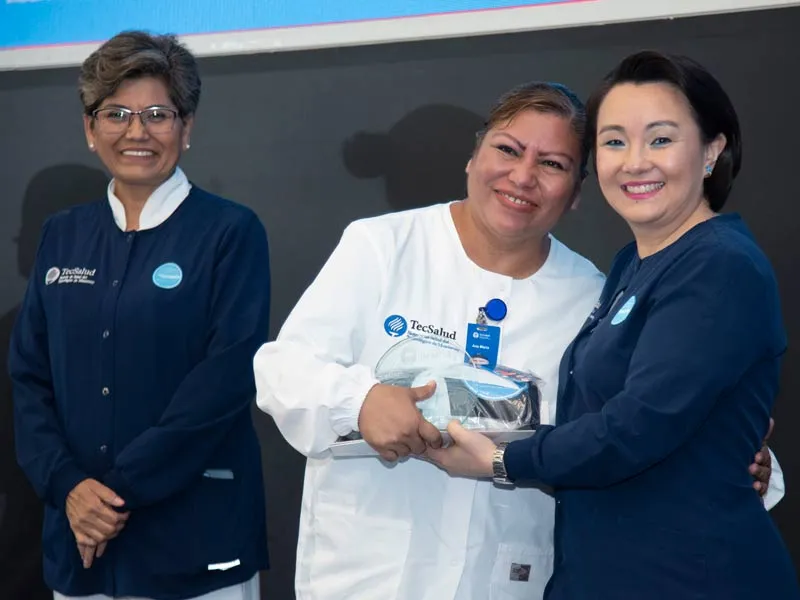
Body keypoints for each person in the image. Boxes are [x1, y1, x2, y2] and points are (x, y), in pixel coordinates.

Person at [253, 80, 778, 599]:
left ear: (577, 193)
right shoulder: (382, 245)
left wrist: (753, 464)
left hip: (511, 578)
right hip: (373, 573)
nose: (523, 176)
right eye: (507, 150)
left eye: (553, 164)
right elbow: (282, 368)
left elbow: (639, 421)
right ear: (472, 158)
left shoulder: (595, 295)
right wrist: (358, 401)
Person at [425, 50, 799, 599]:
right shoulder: (633, 264)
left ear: (712, 151)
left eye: (662, 139)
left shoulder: (721, 265)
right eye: (614, 140)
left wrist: (504, 460)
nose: (635, 161)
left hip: (692, 577)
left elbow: (638, 426)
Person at [9, 31, 270, 600]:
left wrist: (113, 493)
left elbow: (224, 380)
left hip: (194, 540)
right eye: (116, 114)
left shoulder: (229, 232)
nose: (136, 131)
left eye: (157, 114)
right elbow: (29, 379)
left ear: (187, 126)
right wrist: (70, 486)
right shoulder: (62, 234)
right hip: (81, 543)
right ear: (89, 128)